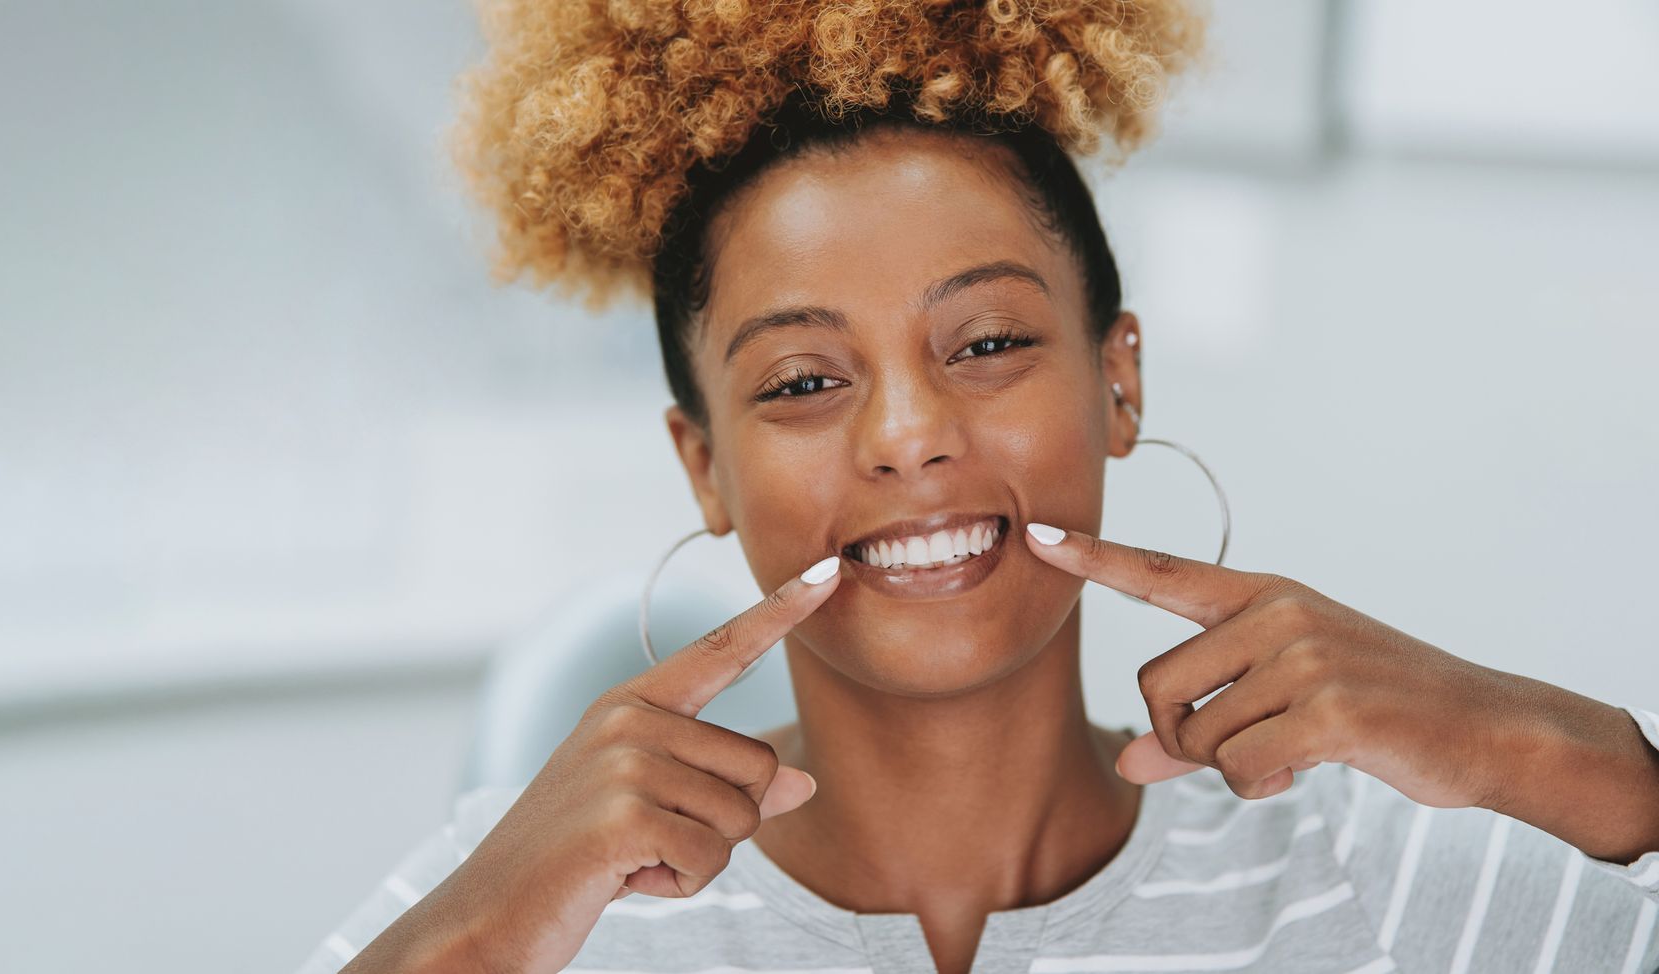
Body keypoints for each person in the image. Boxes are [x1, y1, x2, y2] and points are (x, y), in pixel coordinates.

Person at [297, 1, 1659, 971]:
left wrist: (1572, 756)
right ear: (702, 462)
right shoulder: (529, 896)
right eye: (802, 380)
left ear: (1119, 382)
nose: (909, 435)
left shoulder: (1378, 881)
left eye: (991, 343)